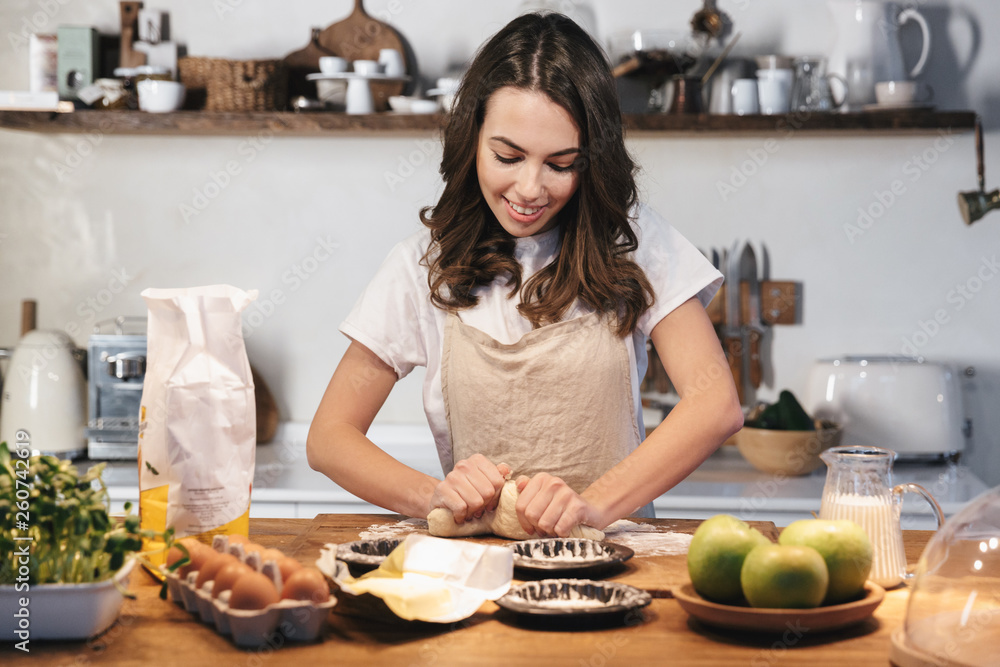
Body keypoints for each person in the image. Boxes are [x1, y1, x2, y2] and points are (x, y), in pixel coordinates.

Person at [307, 12, 743, 538]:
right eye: (508, 156)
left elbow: (714, 404)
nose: (530, 188)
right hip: (475, 572)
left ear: (592, 160)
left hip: (612, 567)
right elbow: (330, 437)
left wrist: (593, 508)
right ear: (472, 138)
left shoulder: (636, 243)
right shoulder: (422, 267)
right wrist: (434, 495)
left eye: (561, 164)